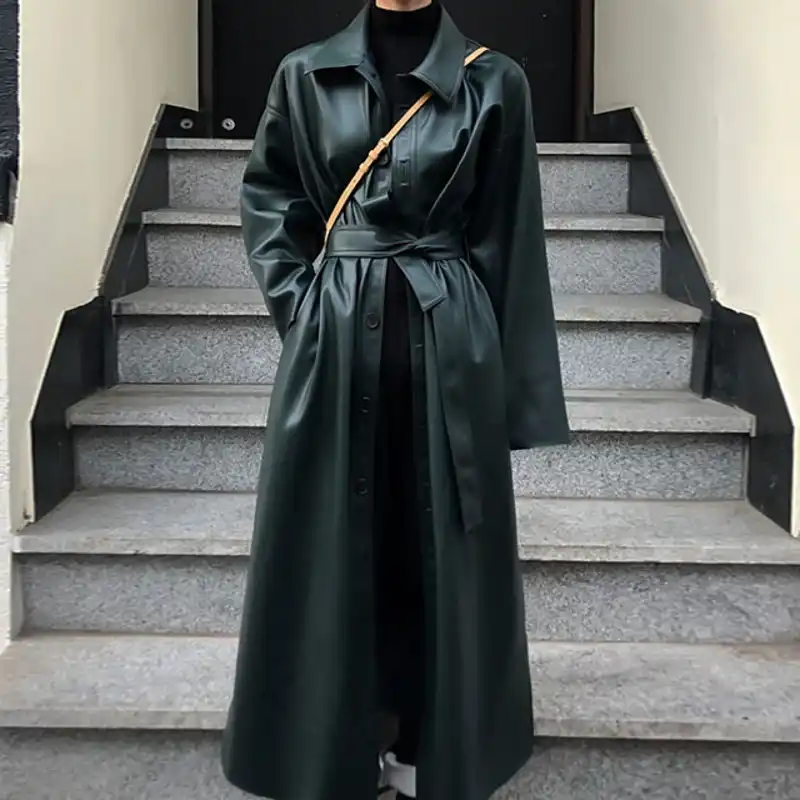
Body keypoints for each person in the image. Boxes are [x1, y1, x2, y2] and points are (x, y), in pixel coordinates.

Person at [222, 1, 569, 799]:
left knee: (438, 547)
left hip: (450, 339)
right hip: (335, 338)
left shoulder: (494, 81)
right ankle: (327, 746)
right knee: (329, 542)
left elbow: (511, 234)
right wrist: (305, 308)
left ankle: (430, 741)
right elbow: (270, 199)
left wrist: (512, 390)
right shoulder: (305, 74)